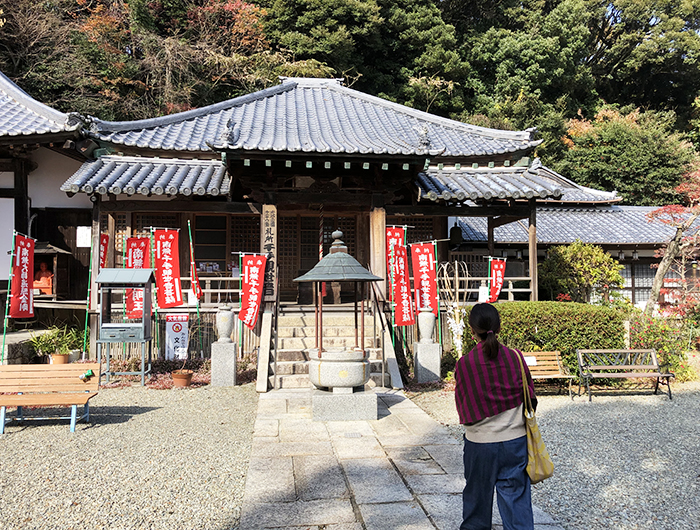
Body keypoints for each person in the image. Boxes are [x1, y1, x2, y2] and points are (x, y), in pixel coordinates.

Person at [454, 303, 537, 530]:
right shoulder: (516, 358)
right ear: (498, 327)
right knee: (516, 500)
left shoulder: (465, 364)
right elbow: (530, 396)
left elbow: (464, 409)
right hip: (515, 442)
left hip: (480, 444)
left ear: (472, 330)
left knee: (476, 503)